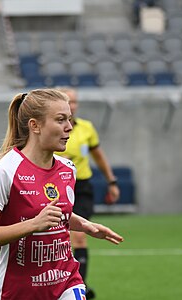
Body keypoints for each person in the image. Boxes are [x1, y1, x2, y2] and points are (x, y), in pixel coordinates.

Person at [0, 89, 124, 300]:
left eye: (69, 119)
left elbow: (55, 213)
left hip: (66, 281)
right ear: (35, 125)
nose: (69, 127)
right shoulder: (4, 172)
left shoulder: (68, 169)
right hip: (19, 290)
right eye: (61, 120)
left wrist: (84, 225)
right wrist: (33, 224)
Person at [54, 87, 120, 299]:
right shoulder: (52, 129)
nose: (72, 106)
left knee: (80, 237)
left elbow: (99, 156)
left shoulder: (86, 129)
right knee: (56, 238)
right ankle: (59, 279)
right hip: (56, 188)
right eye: (67, 102)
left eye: (74, 102)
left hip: (81, 187)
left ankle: (78, 286)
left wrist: (112, 181)